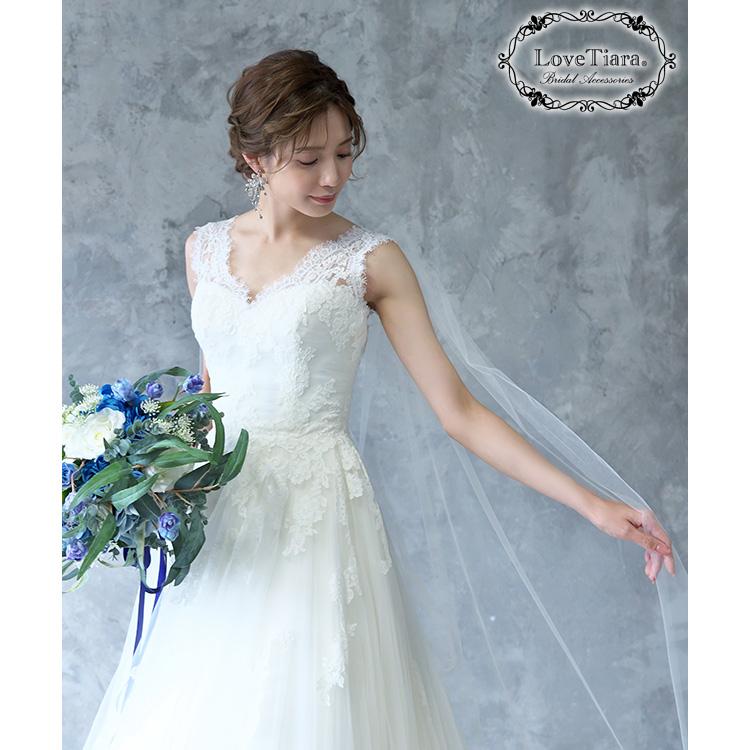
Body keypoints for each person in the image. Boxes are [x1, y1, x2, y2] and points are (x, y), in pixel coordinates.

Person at [82, 49, 686, 749]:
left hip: (316, 515)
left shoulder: (370, 261)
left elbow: (460, 412)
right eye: (309, 159)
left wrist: (593, 504)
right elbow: (210, 399)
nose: (333, 177)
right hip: (222, 517)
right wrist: (145, 476)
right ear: (255, 157)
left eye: (344, 153)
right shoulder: (204, 251)